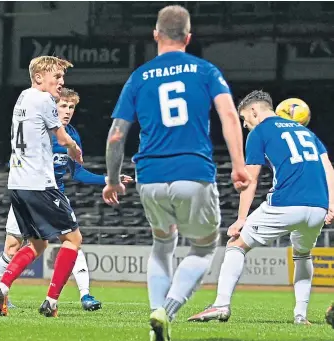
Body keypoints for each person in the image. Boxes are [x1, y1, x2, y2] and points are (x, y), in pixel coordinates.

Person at [100, 5, 251, 341]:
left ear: (155, 35)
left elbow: (115, 135)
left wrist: (112, 179)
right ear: (188, 37)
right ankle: (166, 311)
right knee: (202, 248)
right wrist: (239, 165)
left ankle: (156, 318)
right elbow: (228, 116)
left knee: (162, 243)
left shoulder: (138, 77)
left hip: (149, 176)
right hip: (192, 172)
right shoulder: (205, 70)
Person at [188, 90, 334, 325]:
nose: (246, 125)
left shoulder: (261, 131)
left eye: (245, 119)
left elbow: (251, 179)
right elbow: (328, 168)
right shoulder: (308, 132)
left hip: (287, 202)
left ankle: (221, 305)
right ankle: (300, 316)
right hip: (317, 207)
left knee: (236, 244)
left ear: (255, 111)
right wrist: (331, 205)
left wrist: (241, 219)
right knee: (302, 254)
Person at [0, 87, 132, 312]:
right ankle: (8, 297)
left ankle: (84, 294)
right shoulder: (40, 130)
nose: (67, 111)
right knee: (15, 247)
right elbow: (15, 162)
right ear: (52, 107)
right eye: (63, 106)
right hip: (33, 191)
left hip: (53, 195)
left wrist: (108, 179)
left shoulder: (72, 136)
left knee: (69, 241)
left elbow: (77, 173)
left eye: (71, 107)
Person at [0, 56, 84, 318]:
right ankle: (51, 302)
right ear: (39, 77)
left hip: (18, 184)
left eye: (63, 78)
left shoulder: (23, 97)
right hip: (39, 184)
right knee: (73, 239)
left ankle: (3, 286)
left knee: (38, 244)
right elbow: (62, 136)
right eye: (57, 77)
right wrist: (75, 149)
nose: (61, 82)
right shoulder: (44, 100)